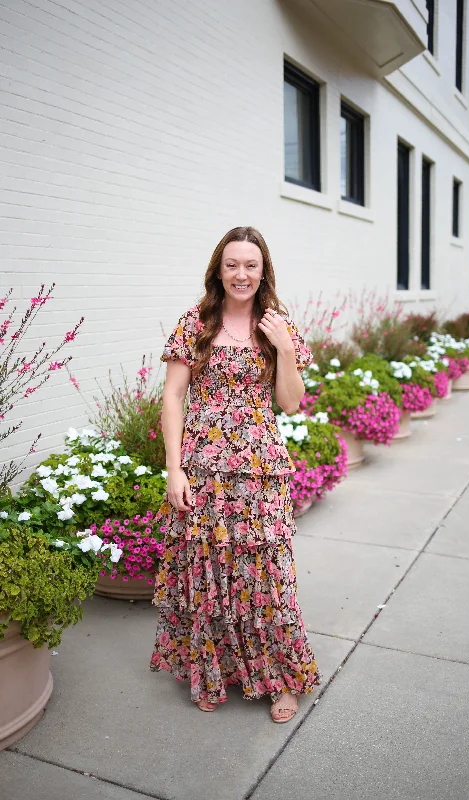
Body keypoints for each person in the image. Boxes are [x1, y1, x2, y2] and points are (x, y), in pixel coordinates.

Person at [150, 226, 321, 723]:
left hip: (259, 472)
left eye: (250, 264)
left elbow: (290, 401)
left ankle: (281, 678)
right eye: (232, 265)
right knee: (207, 574)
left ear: (263, 269)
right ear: (218, 270)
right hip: (203, 470)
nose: (241, 274)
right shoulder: (196, 323)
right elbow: (173, 397)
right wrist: (174, 468)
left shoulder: (278, 324)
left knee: (268, 576)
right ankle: (213, 672)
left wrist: (284, 350)